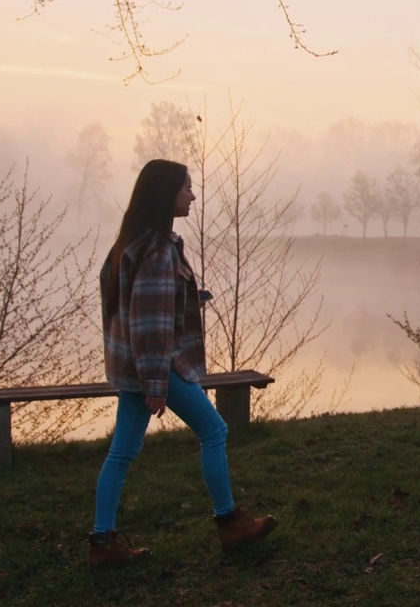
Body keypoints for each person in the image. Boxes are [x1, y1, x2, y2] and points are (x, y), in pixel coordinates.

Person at [88, 159, 277, 567]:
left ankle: (102, 544)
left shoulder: (132, 242)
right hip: (158, 365)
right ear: (165, 195)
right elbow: (150, 323)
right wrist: (156, 383)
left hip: (134, 367)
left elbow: (134, 306)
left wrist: (189, 299)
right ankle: (230, 523)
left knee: (121, 453)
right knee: (214, 430)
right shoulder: (157, 250)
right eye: (186, 188)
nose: (192, 195)